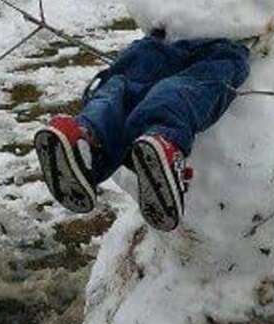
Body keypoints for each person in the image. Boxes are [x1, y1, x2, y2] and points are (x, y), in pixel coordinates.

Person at [34, 34, 250, 232]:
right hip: (192, 40)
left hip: (189, 40)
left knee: (144, 89)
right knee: (141, 88)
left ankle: (101, 140)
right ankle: (105, 145)